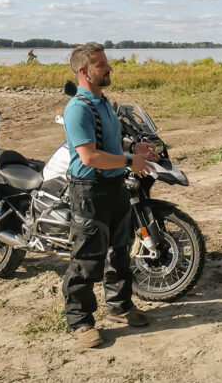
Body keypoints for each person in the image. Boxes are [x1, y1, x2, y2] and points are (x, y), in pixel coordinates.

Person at [61, 43, 158, 348]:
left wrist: (132, 149)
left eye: (106, 63)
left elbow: (110, 145)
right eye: (101, 64)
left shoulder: (103, 103)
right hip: (89, 191)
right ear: (83, 70)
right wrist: (130, 162)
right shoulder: (78, 108)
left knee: (120, 252)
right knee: (87, 259)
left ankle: (119, 307)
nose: (108, 68)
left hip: (115, 187)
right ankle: (80, 322)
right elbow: (90, 157)